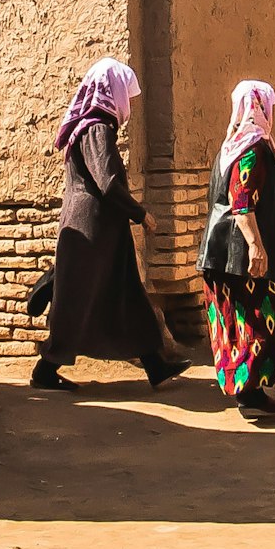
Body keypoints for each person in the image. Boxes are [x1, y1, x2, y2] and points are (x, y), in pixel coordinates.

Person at [36, 59, 182, 391]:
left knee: (127, 295)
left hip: (102, 229)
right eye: (124, 95)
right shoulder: (96, 128)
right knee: (78, 300)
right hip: (92, 229)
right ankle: (45, 370)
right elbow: (107, 182)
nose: (127, 104)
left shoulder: (93, 126)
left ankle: (156, 365)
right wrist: (140, 213)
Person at [198, 79, 275, 422]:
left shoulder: (231, 146)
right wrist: (256, 246)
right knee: (254, 321)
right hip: (241, 257)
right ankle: (250, 394)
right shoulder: (252, 149)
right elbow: (242, 204)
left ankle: (249, 391)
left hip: (223, 255)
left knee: (238, 323)